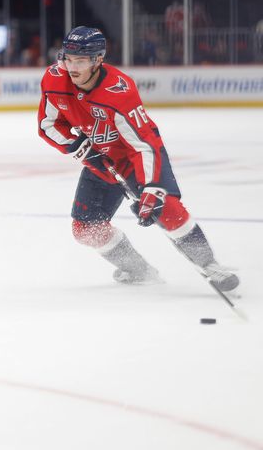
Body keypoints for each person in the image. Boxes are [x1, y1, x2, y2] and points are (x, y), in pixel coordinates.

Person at [37, 26, 239, 291]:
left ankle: (210, 265)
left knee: (166, 209)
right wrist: (82, 149)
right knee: (85, 229)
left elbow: (143, 145)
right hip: (98, 158)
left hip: (137, 158)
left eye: (81, 61)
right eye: (67, 58)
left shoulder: (119, 92)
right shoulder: (54, 79)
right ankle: (138, 270)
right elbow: (48, 125)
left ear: (98, 60)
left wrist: (151, 188)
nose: (71, 67)